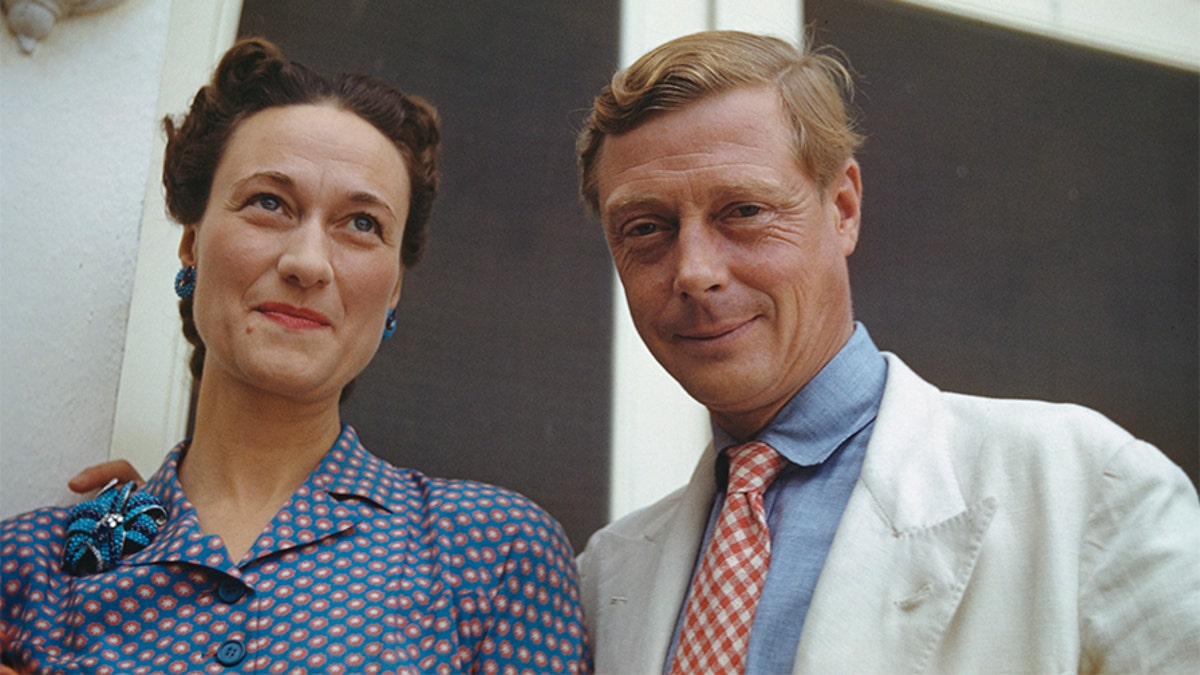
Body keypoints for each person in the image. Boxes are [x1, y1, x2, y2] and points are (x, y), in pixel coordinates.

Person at [574, 30, 1200, 673]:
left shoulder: (1084, 484)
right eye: (646, 228)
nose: (694, 271)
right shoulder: (602, 577)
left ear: (843, 208)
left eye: (745, 210)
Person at [0, 38, 589, 674]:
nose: (307, 263)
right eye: (269, 203)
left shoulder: (492, 554)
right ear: (192, 247)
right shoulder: (30, 566)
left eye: (362, 223)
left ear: (393, 288)